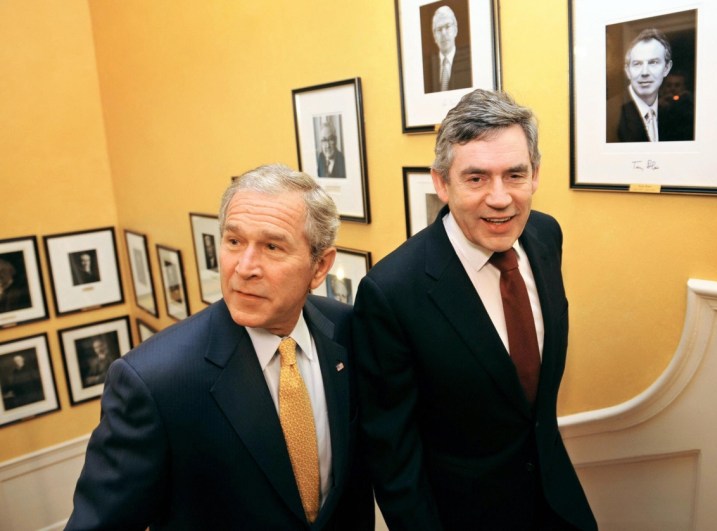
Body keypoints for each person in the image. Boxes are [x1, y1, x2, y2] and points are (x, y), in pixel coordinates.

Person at [66, 164, 374, 530]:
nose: (244, 267)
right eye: (234, 241)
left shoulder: (347, 330)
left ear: (320, 265)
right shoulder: (153, 381)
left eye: (272, 246)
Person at [353, 89, 597, 530]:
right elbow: (393, 458)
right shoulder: (391, 293)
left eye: (515, 175)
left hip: (558, 501)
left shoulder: (545, 236)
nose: (500, 198)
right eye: (477, 178)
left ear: (536, 174)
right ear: (442, 183)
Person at [607, 28, 694, 143]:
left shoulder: (688, 107)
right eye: (637, 64)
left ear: (666, 68)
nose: (645, 72)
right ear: (628, 71)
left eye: (653, 62)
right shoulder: (617, 112)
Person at [423, 5, 472, 94]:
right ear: (434, 36)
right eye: (439, 29)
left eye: (447, 26)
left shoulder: (469, 62)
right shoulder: (426, 68)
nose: (444, 33)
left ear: (455, 29)